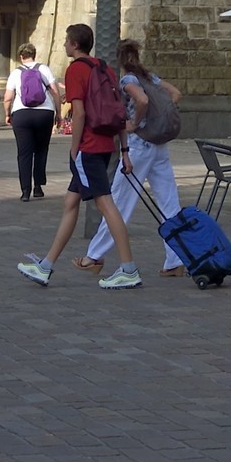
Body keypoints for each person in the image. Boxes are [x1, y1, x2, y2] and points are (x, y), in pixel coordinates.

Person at [17, 22, 140, 290]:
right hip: (105, 143)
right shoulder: (104, 67)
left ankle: (129, 269)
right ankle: (46, 265)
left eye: (65, 41)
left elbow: (80, 112)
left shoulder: (76, 70)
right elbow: (117, 111)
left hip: (88, 146)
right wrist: (124, 149)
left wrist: (74, 149)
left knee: (106, 205)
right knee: (70, 202)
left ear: (74, 45)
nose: (63, 45)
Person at [81, 39, 185, 278]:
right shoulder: (152, 78)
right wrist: (159, 119)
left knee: (118, 202)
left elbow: (143, 100)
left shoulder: (128, 80)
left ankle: (94, 255)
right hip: (160, 146)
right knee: (169, 203)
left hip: (139, 147)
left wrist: (137, 122)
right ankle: (176, 259)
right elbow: (175, 95)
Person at [4, 43, 57, 198]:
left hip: (21, 114)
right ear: (35, 54)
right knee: (41, 150)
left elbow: (8, 98)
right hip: (44, 112)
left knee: (24, 153)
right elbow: (55, 92)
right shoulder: (44, 69)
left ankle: (25, 191)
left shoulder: (15, 73)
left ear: (21, 56)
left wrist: (7, 114)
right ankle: (38, 187)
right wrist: (58, 113)